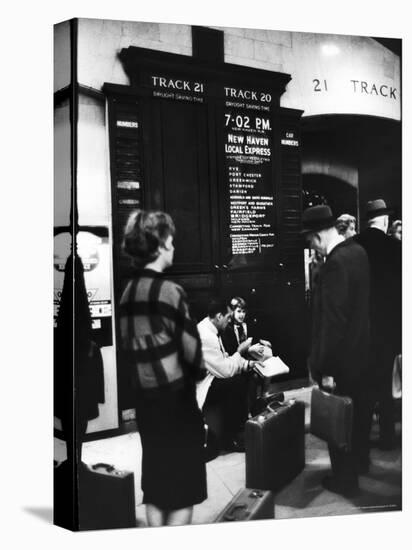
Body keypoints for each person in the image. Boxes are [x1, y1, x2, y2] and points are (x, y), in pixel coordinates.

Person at [118, 209, 207, 527]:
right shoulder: (170, 293)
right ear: (158, 245)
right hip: (177, 405)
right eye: (169, 241)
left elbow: (129, 352)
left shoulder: (127, 294)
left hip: (146, 403)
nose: (173, 247)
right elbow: (194, 357)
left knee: (156, 485)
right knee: (183, 490)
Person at [302, 204, 370, 496]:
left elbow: (332, 324)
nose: (312, 250)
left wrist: (325, 369)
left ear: (318, 236)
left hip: (340, 363)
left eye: (310, 243)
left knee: (337, 422)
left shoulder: (335, 264)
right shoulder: (359, 252)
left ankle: (345, 481)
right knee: (355, 421)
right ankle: (357, 467)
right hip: (360, 355)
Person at [354, 199, 402, 450]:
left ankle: (360, 443)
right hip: (389, 330)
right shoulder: (396, 248)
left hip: (361, 330)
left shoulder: (355, 246)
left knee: (363, 388)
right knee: (385, 385)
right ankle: (387, 436)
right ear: (384, 221)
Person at [197, 299, 257, 453]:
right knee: (235, 384)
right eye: (228, 317)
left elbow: (224, 358)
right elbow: (225, 370)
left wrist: (245, 364)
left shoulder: (209, 328)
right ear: (218, 316)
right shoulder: (207, 336)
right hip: (201, 386)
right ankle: (231, 438)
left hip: (210, 375)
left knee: (244, 377)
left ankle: (244, 426)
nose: (229, 321)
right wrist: (240, 351)